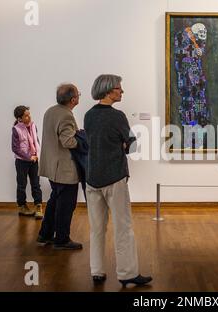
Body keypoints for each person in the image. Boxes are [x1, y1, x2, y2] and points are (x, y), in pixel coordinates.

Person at [84, 74, 152, 286]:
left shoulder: (88, 115)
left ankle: (97, 270)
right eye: (119, 88)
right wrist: (122, 146)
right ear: (108, 90)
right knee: (123, 227)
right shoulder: (117, 116)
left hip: (92, 178)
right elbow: (133, 147)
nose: (122, 92)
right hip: (114, 177)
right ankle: (127, 273)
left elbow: (93, 143)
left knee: (96, 229)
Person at [36, 84, 83, 250]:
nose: (79, 96)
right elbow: (68, 142)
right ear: (73, 99)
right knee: (66, 205)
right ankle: (62, 239)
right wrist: (84, 139)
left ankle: (45, 234)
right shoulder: (66, 116)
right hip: (64, 169)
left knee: (54, 201)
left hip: (51, 166)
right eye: (78, 94)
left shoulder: (51, 111)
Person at [11, 105, 43, 218]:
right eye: (26, 115)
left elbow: (36, 141)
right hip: (22, 162)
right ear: (19, 118)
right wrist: (29, 156)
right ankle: (22, 206)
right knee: (21, 185)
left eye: (29, 114)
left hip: (34, 160)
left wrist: (37, 155)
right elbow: (15, 148)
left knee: (36, 184)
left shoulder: (33, 126)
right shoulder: (16, 129)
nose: (29, 117)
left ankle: (38, 206)